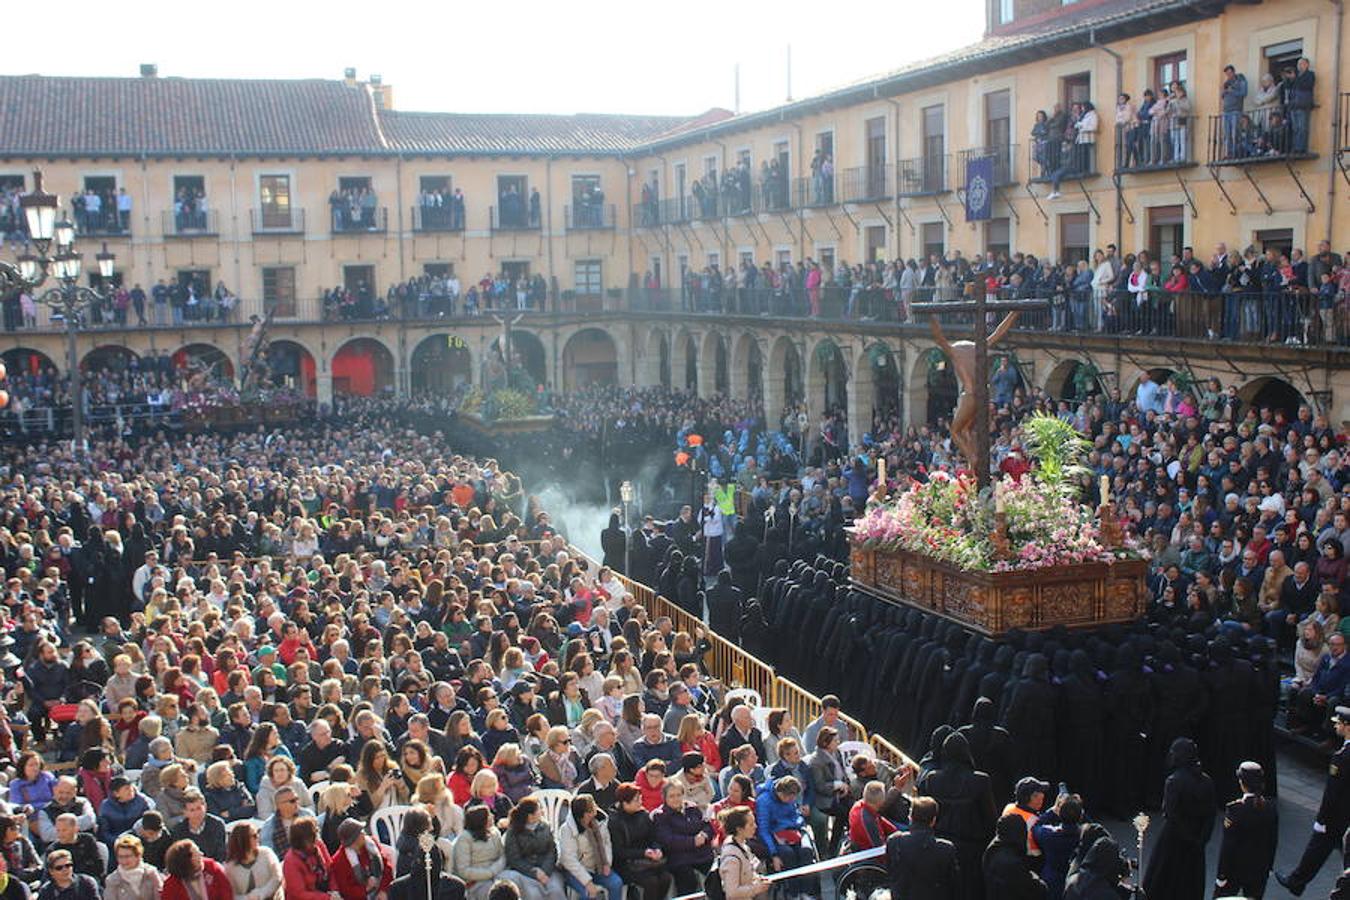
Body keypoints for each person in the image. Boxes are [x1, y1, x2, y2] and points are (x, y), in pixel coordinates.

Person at [1278, 706, 1350, 895]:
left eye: (1339, 724)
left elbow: (1332, 793)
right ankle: (1297, 880)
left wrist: (1322, 819)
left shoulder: (1342, 757)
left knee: (1319, 845)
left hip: (1338, 815)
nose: (1336, 727)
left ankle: (1297, 881)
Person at [1141, 738, 1215, 900]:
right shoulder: (1207, 781)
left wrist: (1187, 837)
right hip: (1197, 838)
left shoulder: (1174, 781)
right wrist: (1201, 839)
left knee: (1163, 880)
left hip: (1174, 840)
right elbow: (1210, 815)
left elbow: (1171, 814)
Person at [1214, 761, 1277, 900]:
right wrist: (1268, 866)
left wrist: (1222, 875)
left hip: (1235, 871)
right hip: (1259, 869)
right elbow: (1273, 841)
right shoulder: (1271, 808)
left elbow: (1228, 847)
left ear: (1242, 783)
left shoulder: (1235, 810)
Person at [885, 796, 959, 900]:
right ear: (933, 820)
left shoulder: (894, 842)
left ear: (910, 817)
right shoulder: (946, 849)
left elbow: (890, 872)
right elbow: (953, 885)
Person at [605, 784, 670, 900]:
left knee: (666, 878)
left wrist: (657, 849)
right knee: (651, 882)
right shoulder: (615, 822)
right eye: (636, 800)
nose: (640, 802)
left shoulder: (643, 815)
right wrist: (643, 853)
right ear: (625, 803)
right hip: (627, 864)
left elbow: (653, 837)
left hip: (647, 861)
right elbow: (619, 851)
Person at [556, 795, 621, 900]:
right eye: (588, 812)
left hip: (597, 867)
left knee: (616, 883)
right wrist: (587, 881)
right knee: (587, 893)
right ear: (581, 814)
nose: (592, 814)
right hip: (576, 870)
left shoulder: (601, 823)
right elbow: (568, 859)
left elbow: (606, 844)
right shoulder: (567, 830)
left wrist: (607, 863)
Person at [503, 798, 565, 900]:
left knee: (556, 890)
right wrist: (533, 872)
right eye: (539, 809)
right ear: (530, 816)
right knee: (533, 894)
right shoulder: (513, 831)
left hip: (547, 870)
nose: (542, 811)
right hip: (524, 872)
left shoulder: (545, 826)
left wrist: (545, 871)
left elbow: (552, 851)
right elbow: (514, 858)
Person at [329, 819, 392, 900]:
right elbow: (346, 890)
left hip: (381, 892)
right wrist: (366, 888)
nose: (363, 833)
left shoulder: (372, 844)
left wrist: (383, 890)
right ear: (353, 840)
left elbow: (387, 865)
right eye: (360, 832)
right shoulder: (339, 861)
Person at [716, 807, 769, 900]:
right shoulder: (731, 858)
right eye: (751, 824)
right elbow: (732, 893)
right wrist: (757, 888)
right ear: (739, 829)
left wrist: (757, 879)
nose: (755, 826)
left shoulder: (743, 845)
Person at [224, 821, 284, 900]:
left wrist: (262, 894)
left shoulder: (266, 853)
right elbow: (232, 895)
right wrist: (248, 898)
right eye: (254, 836)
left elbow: (277, 877)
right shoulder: (230, 868)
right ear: (243, 840)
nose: (258, 837)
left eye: (258, 833)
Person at [160, 840, 233, 900]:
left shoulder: (211, 867)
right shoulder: (171, 884)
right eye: (197, 853)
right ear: (186, 861)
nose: (201, 854)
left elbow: (227, 893)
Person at [35, 851, 99, 900]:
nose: (65, 870)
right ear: (51, 871)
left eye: (68, 865)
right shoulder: (46, 891)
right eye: (59, 868)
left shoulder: (87, 883)